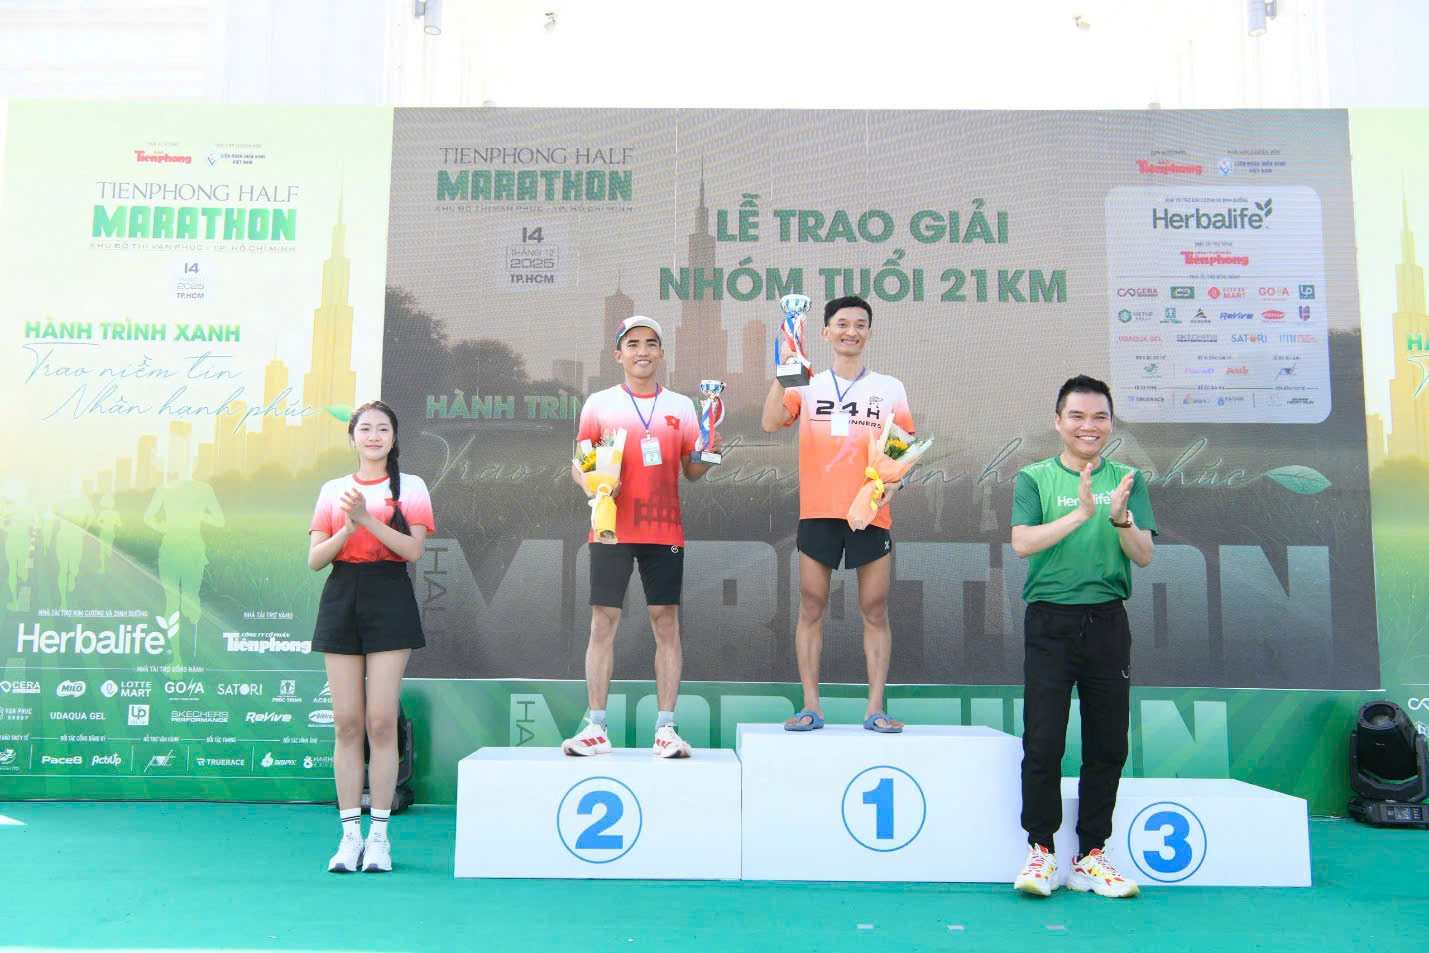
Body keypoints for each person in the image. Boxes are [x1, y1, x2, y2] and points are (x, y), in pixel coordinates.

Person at [1009, 375, 1155, 899]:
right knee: (1044, 741)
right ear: (1058, 421)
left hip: (1107, 623)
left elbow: (1143, 555)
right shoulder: (1033, 478)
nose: (1088, 426)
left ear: (1111, 424)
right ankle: (1041, 851)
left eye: (1099, 417)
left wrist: (1120, 520)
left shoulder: (1129, 480)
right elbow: (1023, 543)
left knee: (1107, 744)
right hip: (1050, 623)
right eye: (1077, 416)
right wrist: (1081, 514)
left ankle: (1092, 855)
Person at [561, 316, 718, 759]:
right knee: (603, 622)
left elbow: (692, 471)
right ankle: (595, 727)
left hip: (663, 528)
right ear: (619, 354)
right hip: (610, 527)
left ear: (662, 353)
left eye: (651, 343)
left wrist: (710, 450)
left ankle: (666, 729)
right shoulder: (600, 404)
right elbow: (580, 464)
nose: (642, 351)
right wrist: (594, 487)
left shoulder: (682, 406)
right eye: (633, 344)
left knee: (665, 622)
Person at [760, 295, 915, 733]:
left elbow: (901, 447)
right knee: (812, 606)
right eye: (842, 324)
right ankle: (811, 706)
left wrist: (895, 484)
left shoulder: (890, 387)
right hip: (819, 512)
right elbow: (770, 422)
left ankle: (875, 708)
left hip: (870, 512)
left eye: (860, 324)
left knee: (875, 608)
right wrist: (784, 374)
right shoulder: (806, 383)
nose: (851, 331)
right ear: (825, 332)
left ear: (870, 332)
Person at [308, 400, 434, 873]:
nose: (374, 436)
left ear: (394, 437)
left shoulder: (411, 487)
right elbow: (315, 559)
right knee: (347, 723)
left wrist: (367, 518)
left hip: (389, 596)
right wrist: (346, 527)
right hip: (342, 596)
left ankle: (379, 837)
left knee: (381, 723)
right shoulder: (334, 490)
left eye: (383, 428)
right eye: (366, 429)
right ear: (353, 437)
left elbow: (413, 550)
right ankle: (349, 838)